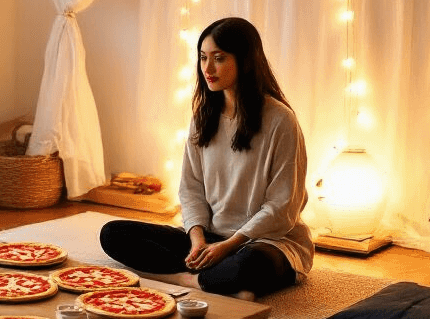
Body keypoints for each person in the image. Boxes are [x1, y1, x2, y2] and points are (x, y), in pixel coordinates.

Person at [100, 16, 314, 298]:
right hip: (212, 236)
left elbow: (282, 205)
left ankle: (190, 280)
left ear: (245, 60)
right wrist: (198, 241)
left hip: (266, 242)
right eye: (203, 58)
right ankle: (209, 279)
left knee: (249, 265)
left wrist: (228, 246)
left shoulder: (281, 121)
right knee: (112, 233)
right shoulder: (203, 118)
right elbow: (190, 189)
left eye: (219, 58)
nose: (208, 69)